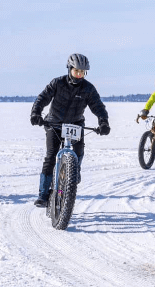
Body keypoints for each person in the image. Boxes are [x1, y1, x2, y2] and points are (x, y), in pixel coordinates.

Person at [30, 54, 110, 207]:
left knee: (79, 151)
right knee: (50, 156)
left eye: (82, 72)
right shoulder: (58, 83)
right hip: (54, 123)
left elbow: (98, 106)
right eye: (76, 71)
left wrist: (103, 122)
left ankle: (74, 170)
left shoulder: (88, 88)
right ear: (69, 69)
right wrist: (36, 113)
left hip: (75, 124)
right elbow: (42, 98)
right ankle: (43, 195)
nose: (79, 74)